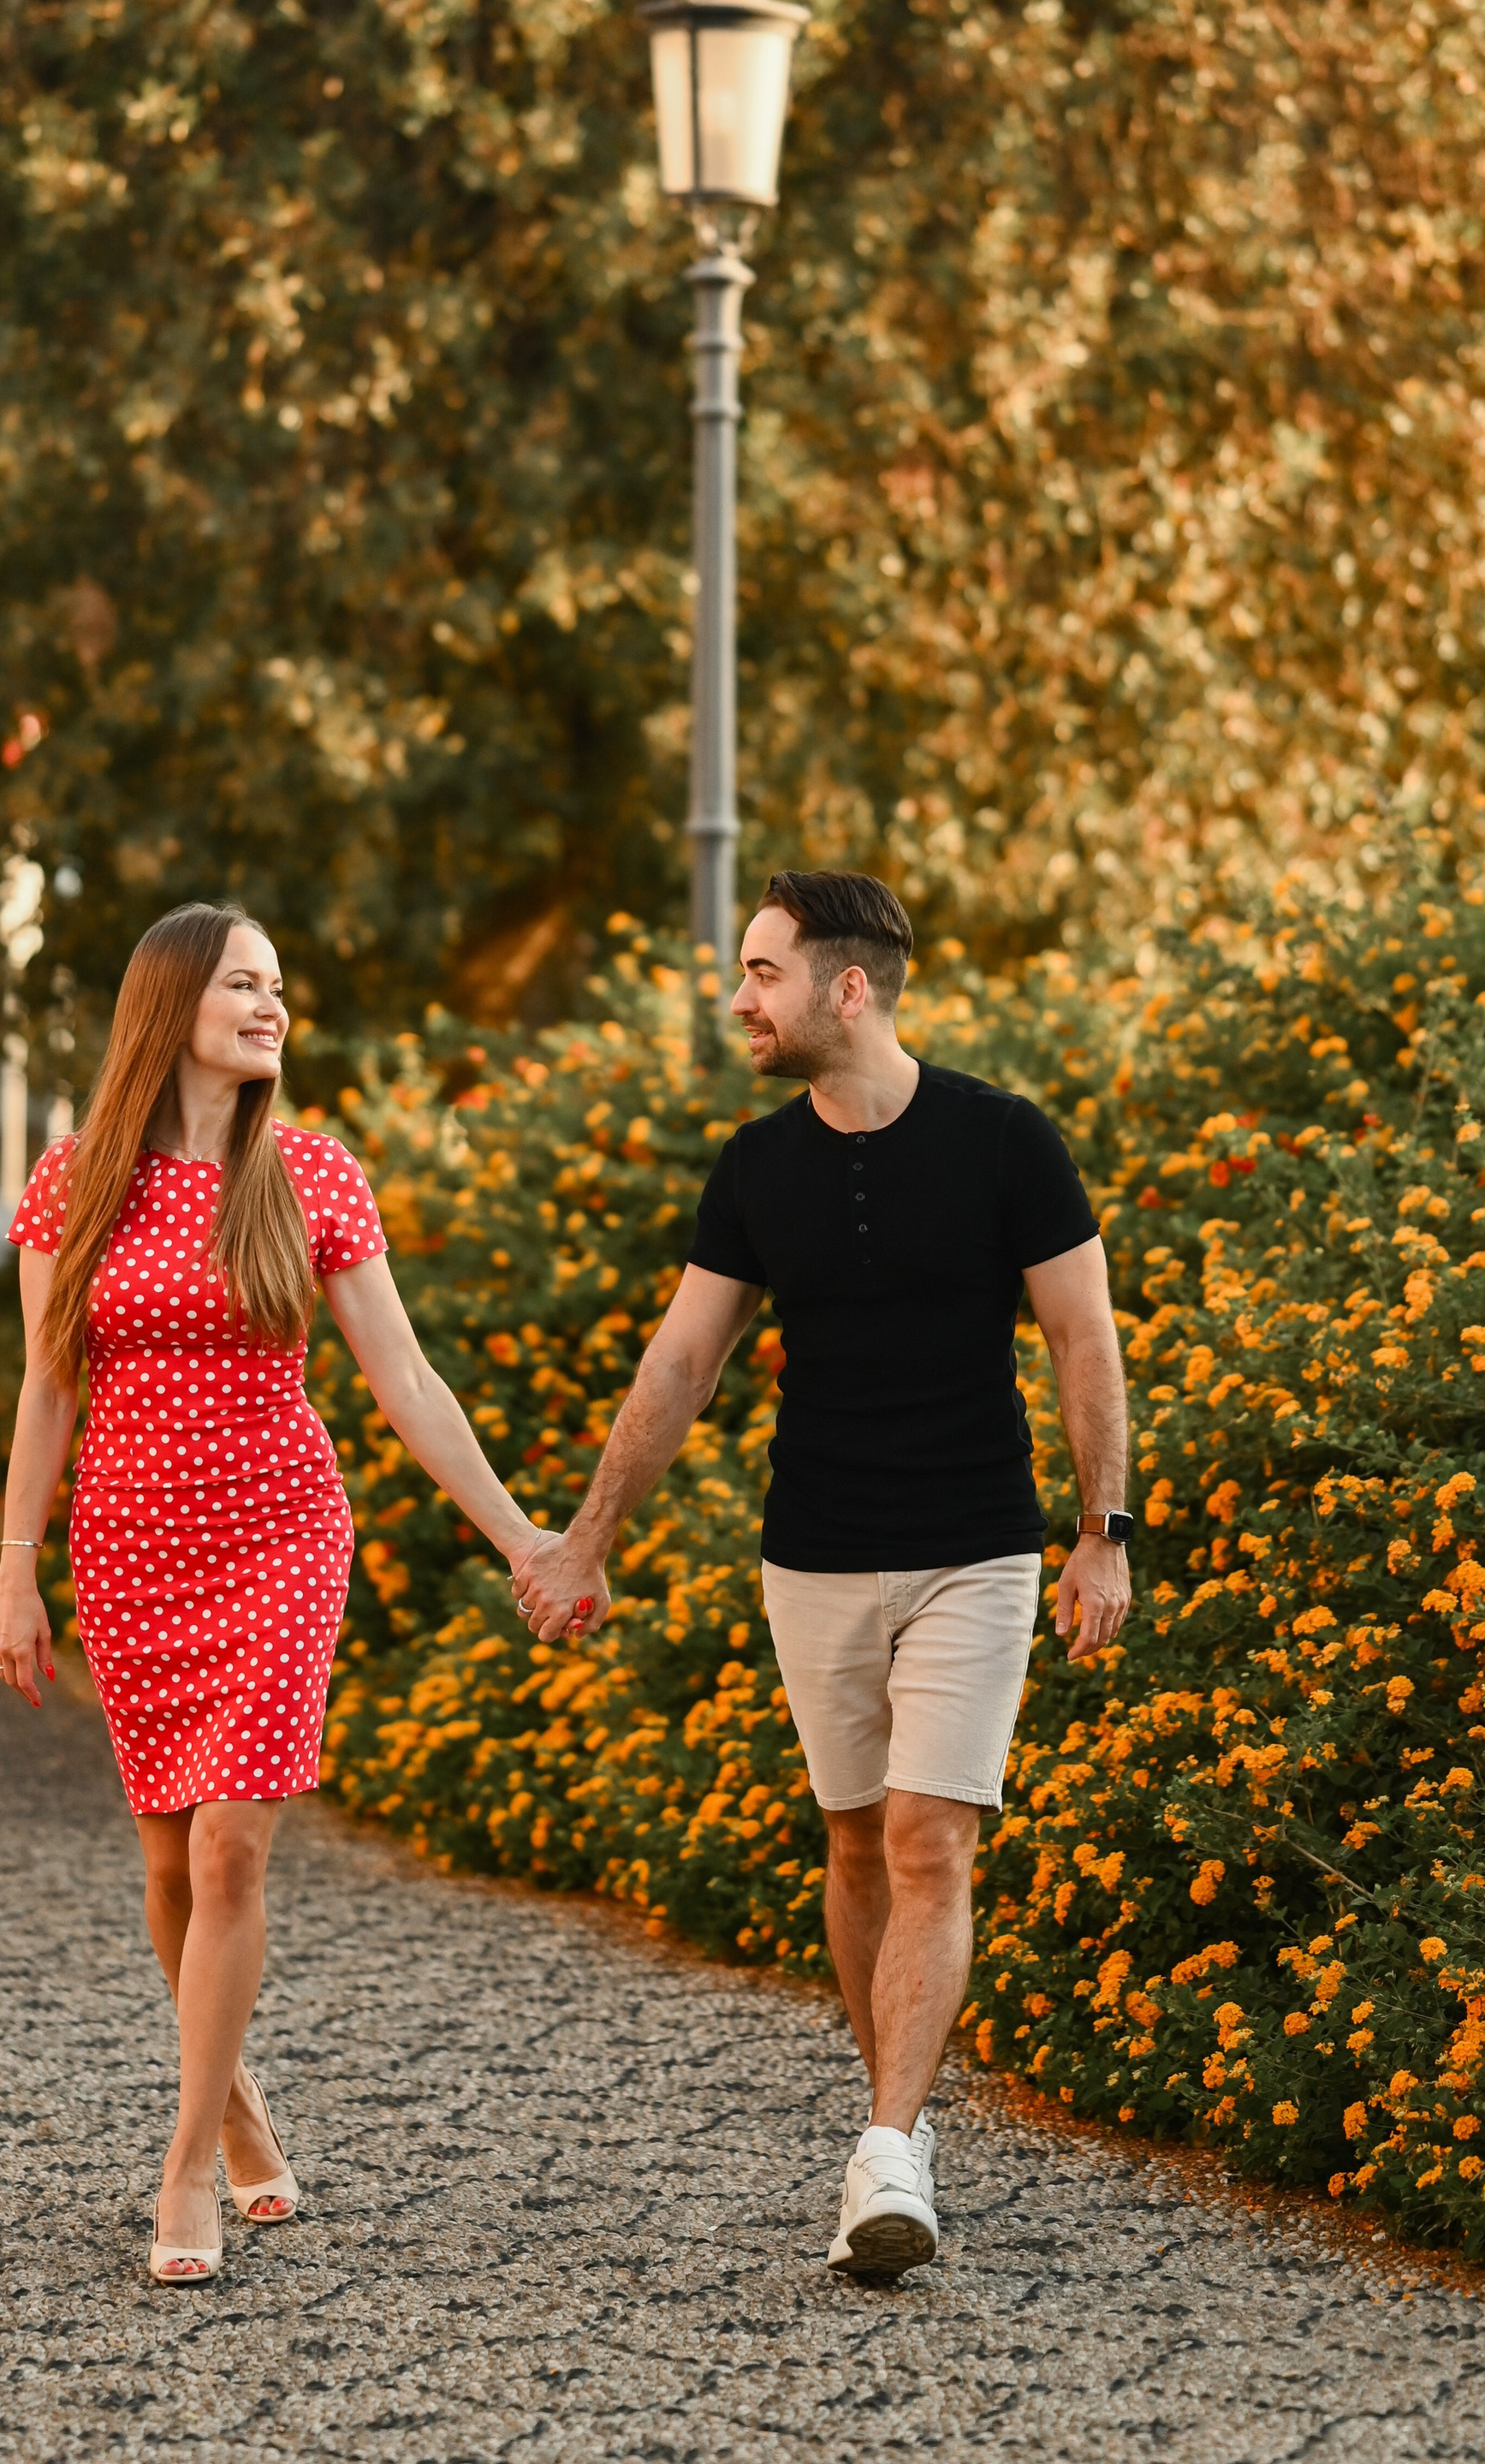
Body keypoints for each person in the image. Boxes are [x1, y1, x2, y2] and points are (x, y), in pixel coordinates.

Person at [514, 868, 1132, 2278]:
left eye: (761, 971)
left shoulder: (1006, 1143)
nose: (740, 999)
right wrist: (584, 1540)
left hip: (978, 1549)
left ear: (846, 988)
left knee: (930, 1840)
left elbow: (1083, 1343)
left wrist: (1105, 1531)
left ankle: (891, 2146)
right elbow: (683, 1363)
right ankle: (890, 2130)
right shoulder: (756, 1167)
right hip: (814, 1557)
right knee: (857, 1843)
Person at [0, 900, 552, 2287]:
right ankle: (232, 2104)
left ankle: (183, 2163)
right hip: (129, 1553)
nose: (271, 1005)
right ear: (170, 1000)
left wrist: (523, 1538)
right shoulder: (73, 1185)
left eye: (278, 986)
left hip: (279, 1538)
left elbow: (405, 1382)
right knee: (170, 1865)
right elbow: (48, 1387)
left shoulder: (312, 1175)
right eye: (244, 982)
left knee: (234, 1846)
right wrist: (16, 1567)